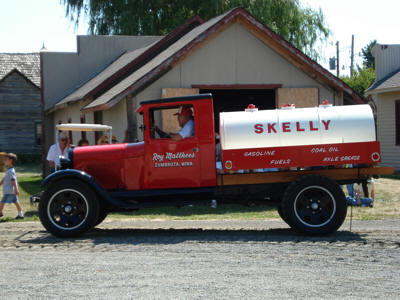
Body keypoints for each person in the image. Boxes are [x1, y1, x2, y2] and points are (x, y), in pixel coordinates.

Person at [0, 153, 23, 219]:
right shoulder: (9, 170)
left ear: (10, 160)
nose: (4, 161)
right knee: (16, 202)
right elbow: (5, 178)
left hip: (9, 190)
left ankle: (0, 212)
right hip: (10, 190)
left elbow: (13, 180)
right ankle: (20, 214)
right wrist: (0, 183)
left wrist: (16, 189)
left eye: (5, 159)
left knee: (2, 202)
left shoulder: (11, 171)